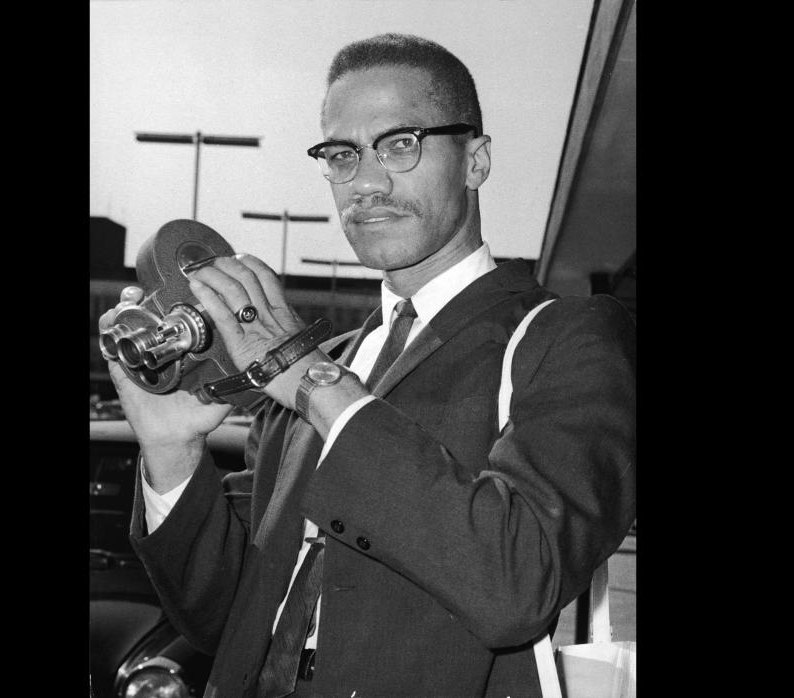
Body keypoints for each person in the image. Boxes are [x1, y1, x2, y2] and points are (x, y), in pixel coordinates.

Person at [99, 33, 636, 698]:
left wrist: (313, 385)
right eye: (343, 155)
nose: (368, 181)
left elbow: (517, 582)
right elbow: (224, 618)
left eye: (400, 142)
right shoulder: (321, 364)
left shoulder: (566, 338)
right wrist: (172, 452)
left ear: (476, 159)